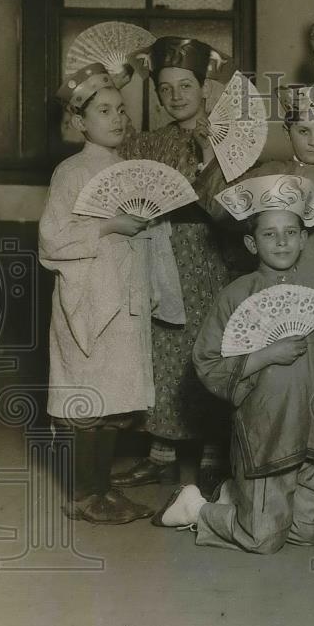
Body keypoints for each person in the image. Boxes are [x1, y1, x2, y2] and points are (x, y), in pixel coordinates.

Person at [200, 83, 314, 529]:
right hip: (266, 314)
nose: (313, 139)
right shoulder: (269, 171)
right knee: (270, 398)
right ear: (288, 130)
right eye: (303, 130)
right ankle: (250, 492)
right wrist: (219, 146)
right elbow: (217, 207)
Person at [152, 175, 314, 552]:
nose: (281, 241)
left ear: (302, 237)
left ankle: (234, 495)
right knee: (264, 539)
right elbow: (207, 362)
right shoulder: (237, 295)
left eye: (290, 232)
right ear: (251, 243)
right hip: (266, 430)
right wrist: (266, 355)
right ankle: (197, 507)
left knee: (309, 532)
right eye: (269, 234)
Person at [40, 64, 168, 525]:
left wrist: (152, 284)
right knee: (87, 400)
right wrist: (110, 225)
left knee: (115, 397)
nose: (117, 119)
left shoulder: (126, 170)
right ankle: (82, 495)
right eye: (103, 111)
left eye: (120, 109)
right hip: (89, 299)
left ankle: (102, 488)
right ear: (80, 122)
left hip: (125, 297)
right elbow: (52, 241)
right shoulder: (70, 172)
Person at [110, 36, 236, 497]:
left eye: (186, 85)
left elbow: (232, 209)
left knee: (203, 356)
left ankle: (211, 462)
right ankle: (167, 459)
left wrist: (208, 160)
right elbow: (116, 160)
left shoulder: (227, 143)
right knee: (163, 359)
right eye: (165, 88)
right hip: (160, 257)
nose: (177, 96)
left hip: (210, 256)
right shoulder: (151, 142)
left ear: (205, 88)